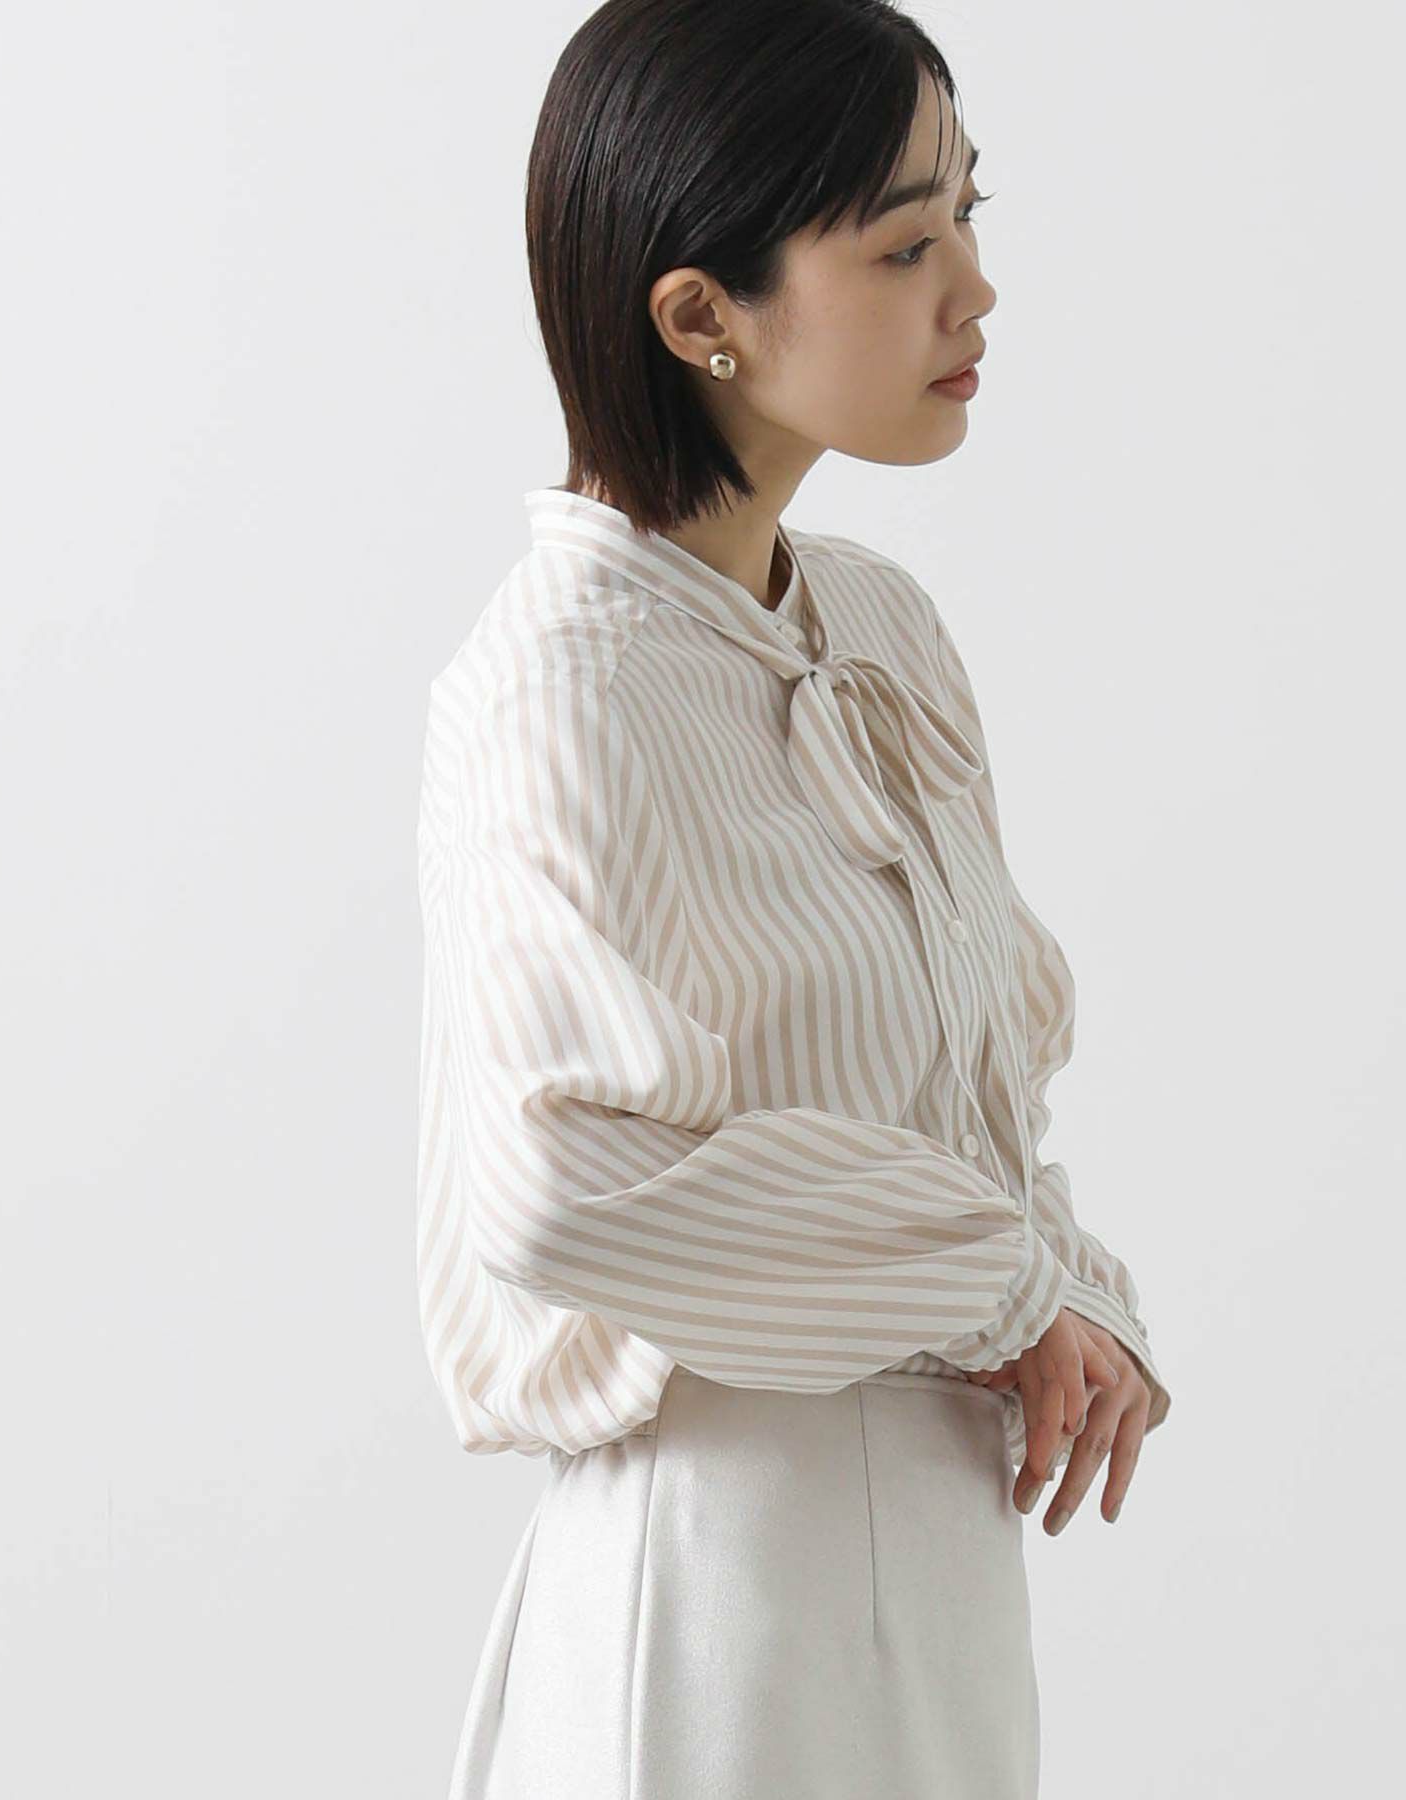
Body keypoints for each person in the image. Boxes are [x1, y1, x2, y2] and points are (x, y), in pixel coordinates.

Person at [414, 2, 1172, 1794]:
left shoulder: (882, 631)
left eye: (970, 215)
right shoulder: (561, 686)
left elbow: (969, 1095)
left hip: (943, 1550)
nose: (974, 289)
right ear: (704, 317)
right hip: (718, 1576)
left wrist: (1079, 1298)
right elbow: (561, 1185)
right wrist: (1004, 1287)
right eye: (905, 246)